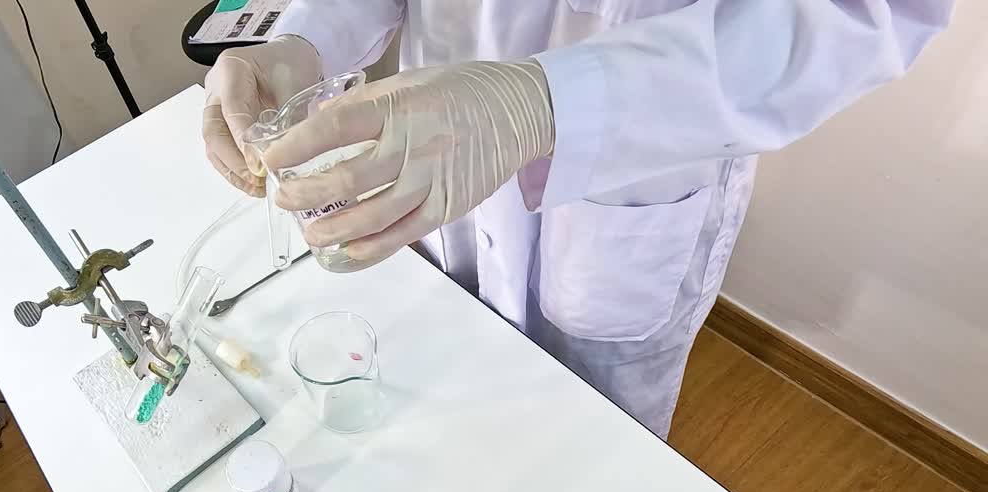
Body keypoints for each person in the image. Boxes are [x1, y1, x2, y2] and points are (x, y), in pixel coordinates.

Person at [202, 1, 953, 438]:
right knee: (447, 407)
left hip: (633, 173)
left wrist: (551, 102)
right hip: (431, 151)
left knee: (595, 454)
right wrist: (307, 36)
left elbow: (863, 16)